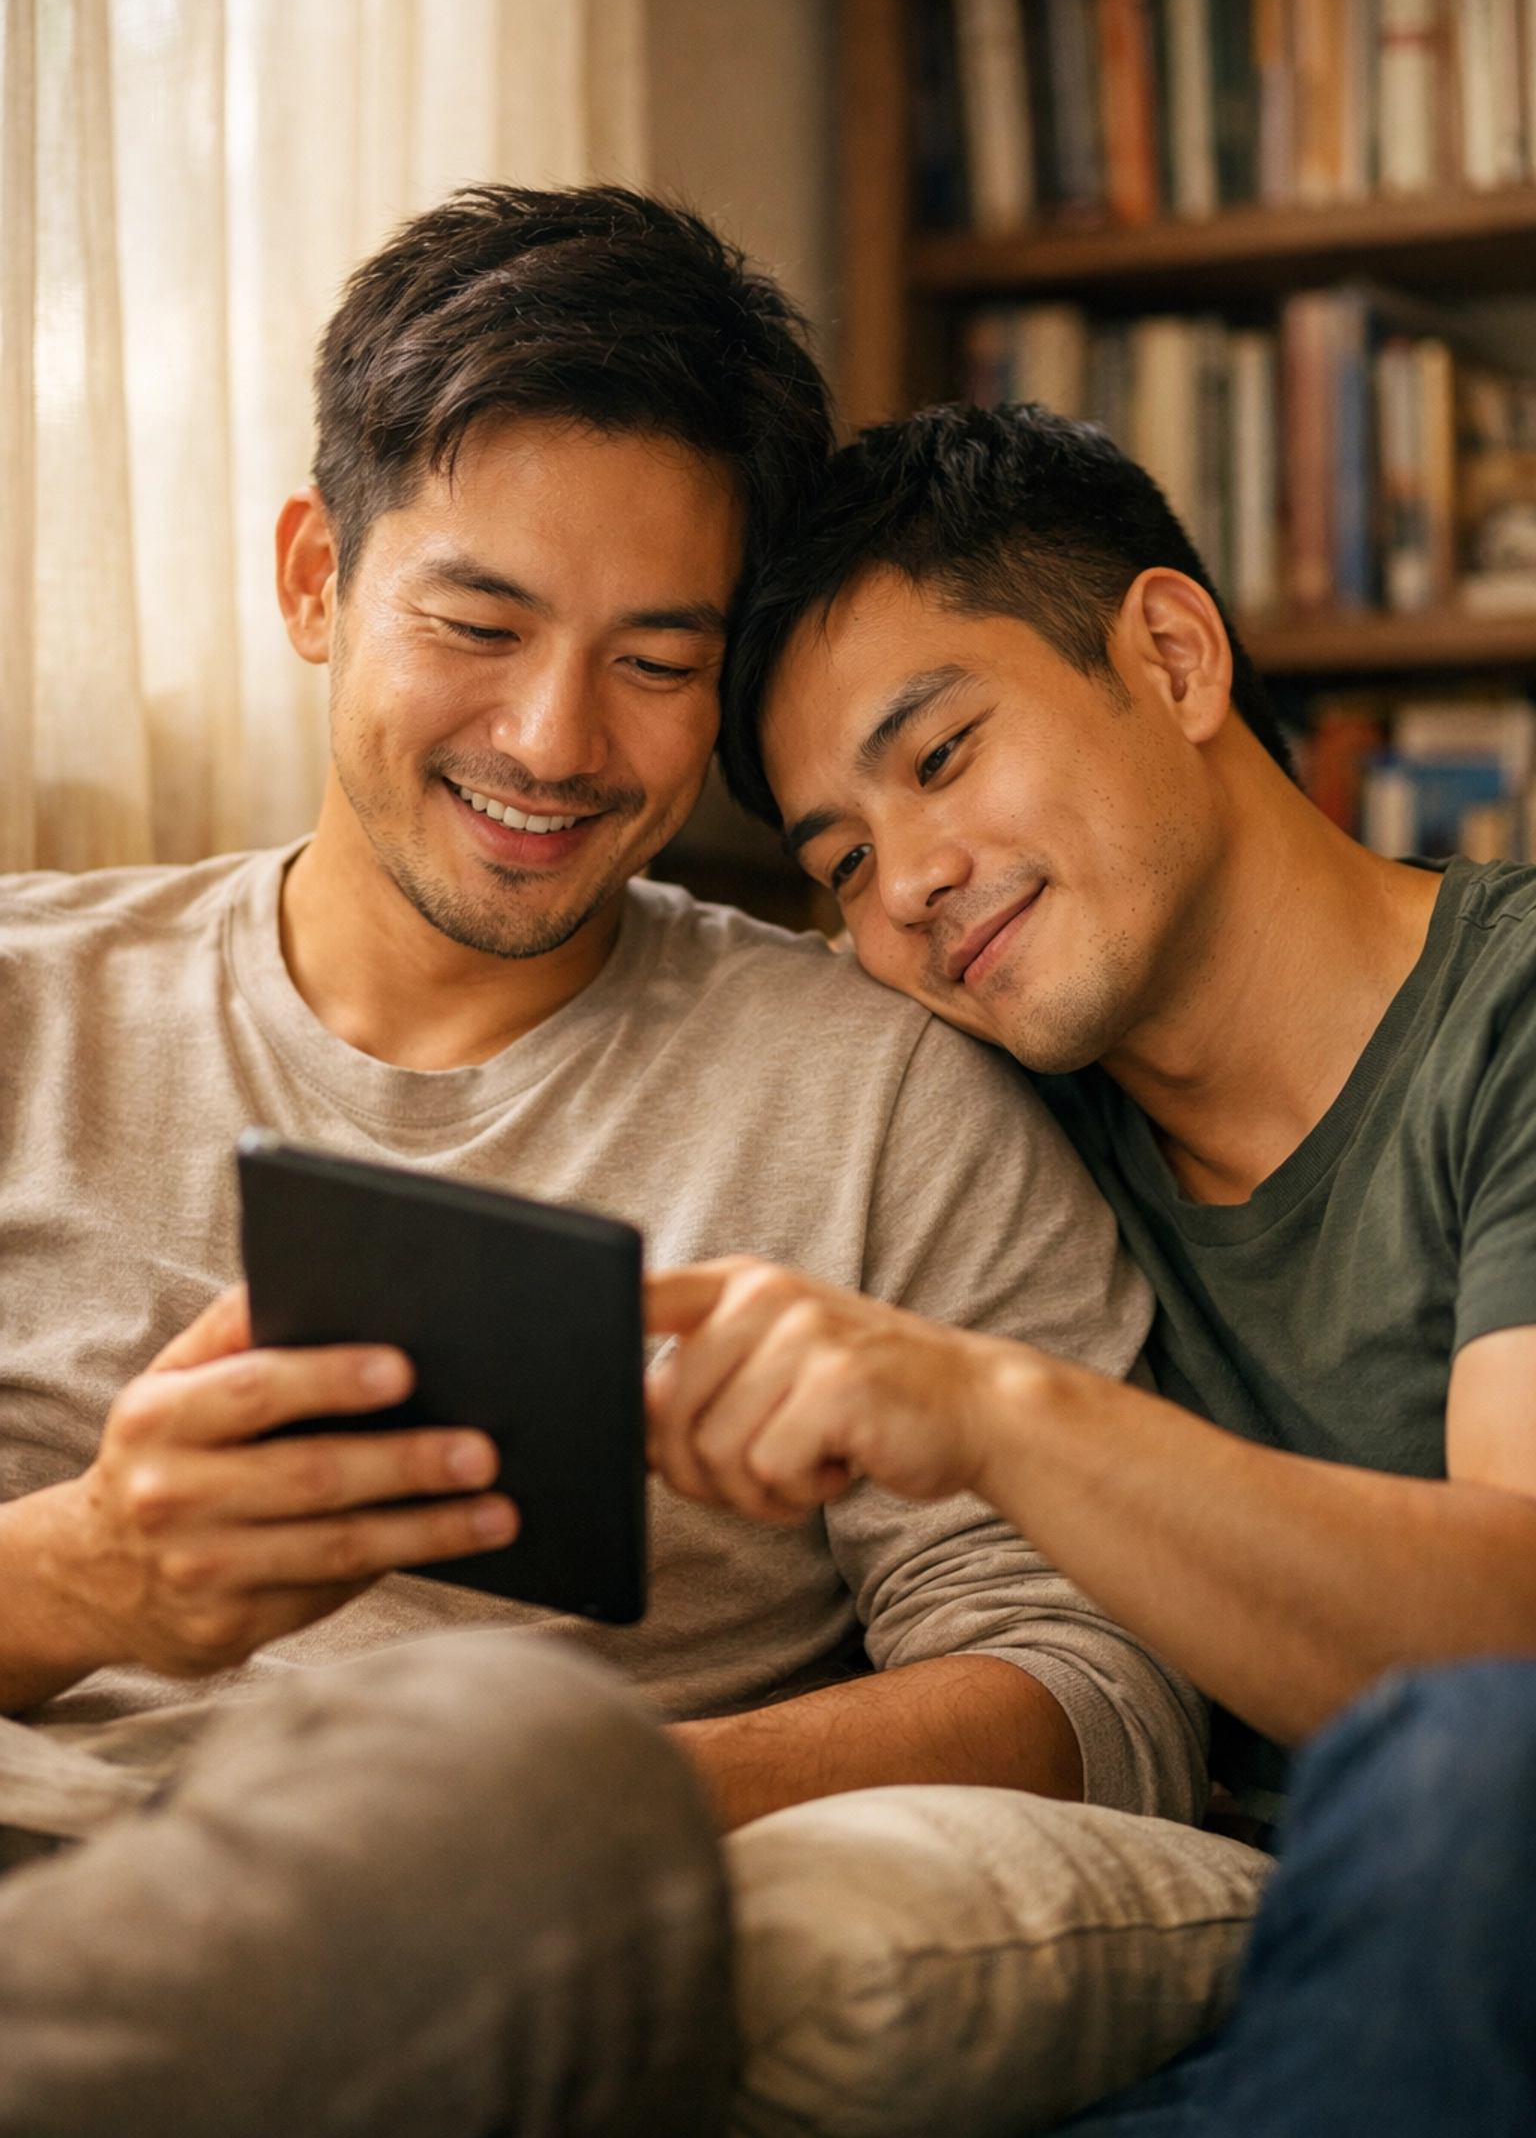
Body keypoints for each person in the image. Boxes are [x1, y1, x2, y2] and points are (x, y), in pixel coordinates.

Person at [0, 202, 1252, 2137]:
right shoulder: (28, 1008)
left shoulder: (883, 1089)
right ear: (317, 575)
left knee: (507, 1755)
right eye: (479, 627)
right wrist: (82, 1576)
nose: (554, 740)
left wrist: (632, 1791)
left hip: (489, 1908)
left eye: (658, 661)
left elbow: (1101, 1682)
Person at [668, 399, 1536, 2134]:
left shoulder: (1506, 1020)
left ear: (1171, 653)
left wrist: (991, 1408)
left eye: (938, 759)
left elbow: (1517, 1635)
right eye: (838, 862)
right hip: (1166, 1998)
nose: (905, 885)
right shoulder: (974, 1132)